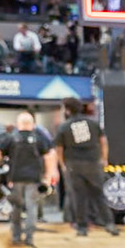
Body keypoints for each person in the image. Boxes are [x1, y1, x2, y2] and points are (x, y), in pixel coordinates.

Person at [49, 98, 113, 237]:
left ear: (67, 110)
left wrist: (62, 164)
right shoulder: (93, 123)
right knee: (99, 195)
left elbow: (59, 148)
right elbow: (103, 141)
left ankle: (82, 227)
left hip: (74, 164)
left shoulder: (64, 127)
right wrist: (104, 159)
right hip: (93, 163)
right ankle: (109, 224)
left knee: (78, 197)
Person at [0, 112, 50, 244]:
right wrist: (48, 174)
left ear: (18, 124)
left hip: (15, 178)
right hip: (34, 178)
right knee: (31, 207)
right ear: (32, 124)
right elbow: (48, 155)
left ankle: (16, 236)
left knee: (16, 207)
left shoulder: (11, 137)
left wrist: (3, 159)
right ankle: (29, 237)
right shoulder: (38, 138)